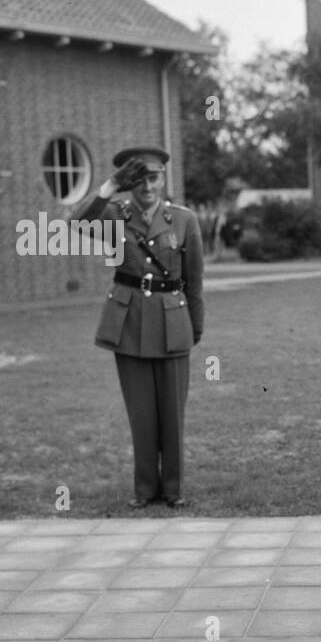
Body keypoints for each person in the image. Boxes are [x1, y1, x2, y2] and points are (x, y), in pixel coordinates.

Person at [72, 146, 204, 508]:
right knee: (141, 412)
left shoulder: (183, 219)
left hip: (173, 321)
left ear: (163, 179)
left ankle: (173, 490)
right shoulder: (115, 214)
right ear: (129, 183)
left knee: (172, 414)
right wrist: (110, 186)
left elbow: (194, 280)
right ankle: (145, 490)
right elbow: (75, 224)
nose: (147, 186)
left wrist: (196, 327)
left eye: (154, 178)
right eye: (139, 179)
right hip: (128, 324)